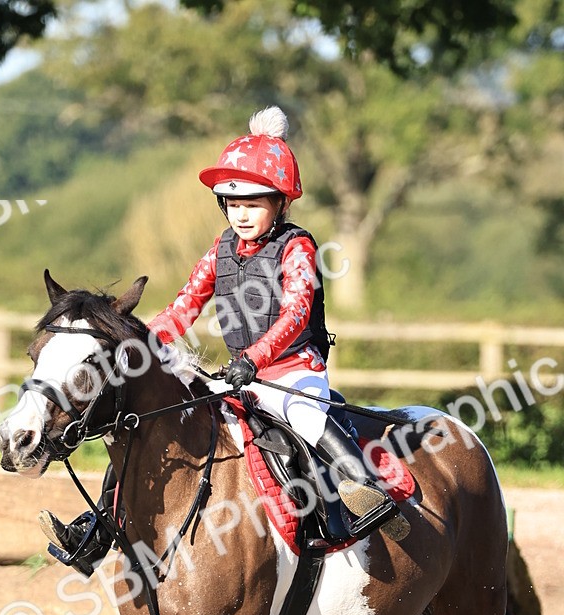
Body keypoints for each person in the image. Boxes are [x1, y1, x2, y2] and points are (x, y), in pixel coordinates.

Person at [40, 106, 409, 576]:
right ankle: (95, 530)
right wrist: (138, 343)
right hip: (239, 377)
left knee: (309, 421)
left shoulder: (298, 248)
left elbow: (296, 314)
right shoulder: (220, 250)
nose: (241, 215)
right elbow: (185, 306)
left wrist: (254, 360)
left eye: (253, 204)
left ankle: (365, 498)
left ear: (281, 203)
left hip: (293, 374)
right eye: (233, 205)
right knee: (144, 427)